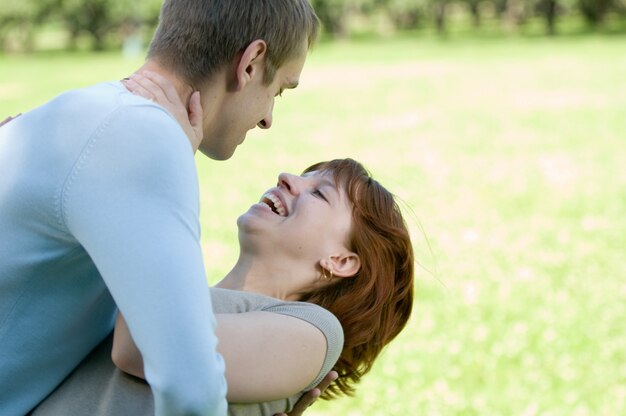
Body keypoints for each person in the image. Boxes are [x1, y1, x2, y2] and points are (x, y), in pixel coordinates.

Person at [0, 1, 320, 415]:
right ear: (251, 63)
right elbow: (192, 393)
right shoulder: (142, 140)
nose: (267, 118)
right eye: (277, 90)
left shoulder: (83, 111)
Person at [30, 157, 415, 416]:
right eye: (304, 176)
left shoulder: (315, 333)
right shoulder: (187, 298)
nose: (288, 178)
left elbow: (140, 347)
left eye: (318, 193)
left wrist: (156, 176)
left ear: (341, 260)